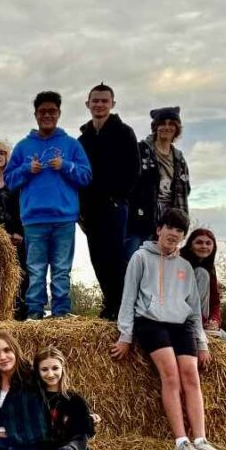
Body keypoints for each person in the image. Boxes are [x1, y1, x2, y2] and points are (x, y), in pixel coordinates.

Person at [111, 208, 225, 450]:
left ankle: (200, 439)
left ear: (183, 237)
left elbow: (194, 310)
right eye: (170, 228)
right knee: (171, 375)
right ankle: (181, 442)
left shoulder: (184, 265)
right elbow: (128, 298)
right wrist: (125, 336)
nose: (174, 234)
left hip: (180, 323)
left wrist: (202, 343)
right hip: (150, 322)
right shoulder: (140, 258)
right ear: (159, 229)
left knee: (191, 377)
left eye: (179, 231)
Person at [4, 91, 92, 320]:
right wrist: (26, 169)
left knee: (62, 270)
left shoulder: (71, 145)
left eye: (52, 111)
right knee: (36, 270)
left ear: (59, 113)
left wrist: (65, 165)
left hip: (64, 219)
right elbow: (9, 180)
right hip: (34, 220)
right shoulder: (23, 147)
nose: (47, 115)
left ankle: (61, 312)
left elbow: (86, 176)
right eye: (42, 112)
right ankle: (35, 313)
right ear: (35, 115)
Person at [78, 84, 140, 320]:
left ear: (113, 103)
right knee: (98, 259)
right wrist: (81, 211)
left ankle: (121, 308)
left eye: (104, 101)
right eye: (95, 101)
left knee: (115, 258)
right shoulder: (83, 139)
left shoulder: (124, 133)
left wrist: (117, 196)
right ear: (88, 104)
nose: (99, 105)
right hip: (90, 210)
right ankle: (110, 303)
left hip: (114, 206)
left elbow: (134, 170)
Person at [127, 106, 190, 258]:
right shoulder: (140, 150)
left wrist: (182, 223)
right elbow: (129, 184)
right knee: (133, 262)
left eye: (171, 124)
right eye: (162, 123)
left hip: (168, 221)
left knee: (162, 267)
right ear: (155, 127)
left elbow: (184, 192)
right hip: (141, 219)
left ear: (177, 128)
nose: (167, 127)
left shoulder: (179, 159)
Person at [180, 228, 226, 357]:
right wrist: (201, 321)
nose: (204, 246)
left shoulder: (209, 267)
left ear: (213, 247)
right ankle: (200, 326)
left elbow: (215, 301)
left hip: (205, 321)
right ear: (190, 245)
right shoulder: (179, 263)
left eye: (208, 243)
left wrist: (214, 320)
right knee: (201, 273)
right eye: (199, 242)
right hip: (184, 318)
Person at [0, 141, 27, 319]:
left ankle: (20, 313)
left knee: (21, 274)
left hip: (15, 237)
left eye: (1, 153)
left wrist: (20, 232)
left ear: (7, 157)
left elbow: (24, 208)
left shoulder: (15, 182)